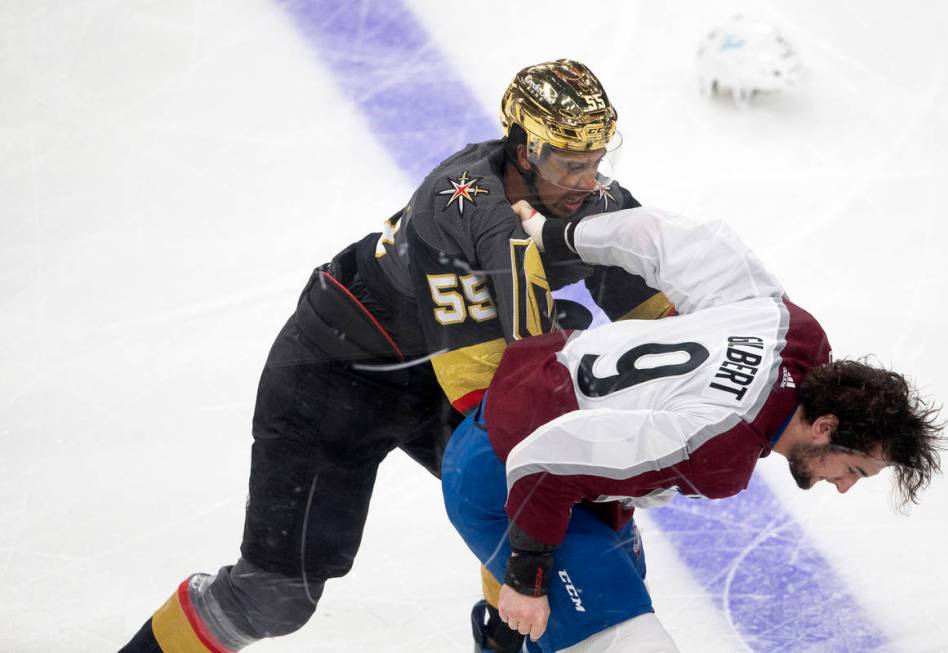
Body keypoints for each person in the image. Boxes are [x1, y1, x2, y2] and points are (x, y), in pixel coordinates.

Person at [120, 60, 675, 653]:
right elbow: (493, 403)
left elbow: (668, 322)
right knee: (275, 596)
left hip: (437, 371)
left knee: (564, 517)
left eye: (597, 160)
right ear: (524, 150)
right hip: (336, 378)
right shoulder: (460, 207)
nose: (591, 182)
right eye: (572, 164)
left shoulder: (591, 201)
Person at [442, 203, 948, 653]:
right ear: (824, 426)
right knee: (625, 638)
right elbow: (545, 457)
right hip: (508, 476)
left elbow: (662, 236)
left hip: (539, 435)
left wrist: (552, 235)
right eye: (854, 469)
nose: (842, 486)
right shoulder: (719, 450)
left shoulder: (792, 331)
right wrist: (526, 577)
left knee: (604, 611)